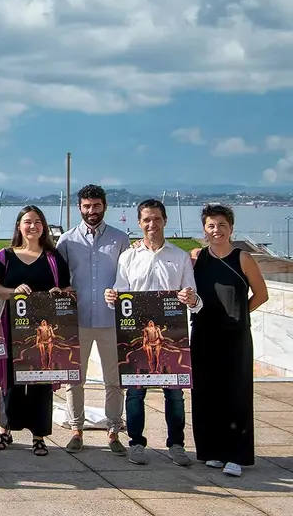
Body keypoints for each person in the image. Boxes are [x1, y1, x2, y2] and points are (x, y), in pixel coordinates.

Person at [103, 199, 201, 467]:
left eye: (156, 219)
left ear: (165, 221)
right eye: (146, 219)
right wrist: (110, 295)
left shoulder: (179, 257)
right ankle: (136, 443)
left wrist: (190, 298)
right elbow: (118, 295)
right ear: (139, 223)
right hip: (136, 336)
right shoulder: (128, 257)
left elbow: (195, 299)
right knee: (135, 393)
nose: (152, 224)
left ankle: (177, 444)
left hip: (172, 335)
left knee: (175, 394)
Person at [189, 204, 268, 477]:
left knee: (235, 393)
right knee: (206, 393)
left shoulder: (242, 258)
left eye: (222, 225)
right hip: (203, 333)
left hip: (235, 337)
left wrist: (238, 312)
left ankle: (236, 454)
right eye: (211, 225)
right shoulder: (198, 258)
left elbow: (261, 294)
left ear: (231, 228)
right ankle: (212, 450)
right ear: (204, 229)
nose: (216, 230)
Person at [0, 205, 71, 457]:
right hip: (12, 325)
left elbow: (67, 289)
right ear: (18, 226)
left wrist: (59, 293)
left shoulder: (54, 258)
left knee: (41, 379)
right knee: (11, 381)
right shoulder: (4, 256)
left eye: (37, 221)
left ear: (43, 226)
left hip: (44, 329)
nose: (33, 226)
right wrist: (13, 291)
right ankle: (5, 430)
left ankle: (39, 435)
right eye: (27, 221)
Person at [56, 184, 130, 455]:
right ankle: (76, 429)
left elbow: (128, 278)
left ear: (104, 206)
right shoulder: (67, 240)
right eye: (87, 206)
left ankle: (114, 430)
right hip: (77, 320)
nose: (92, 211)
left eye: (96, 206)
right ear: (79, 208)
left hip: (111, 320)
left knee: (115, 379)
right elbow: (60, 280)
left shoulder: (120, 239)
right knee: (75, 378)